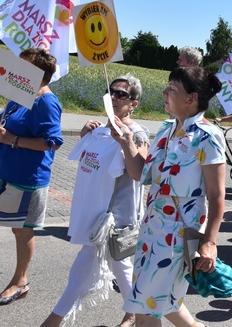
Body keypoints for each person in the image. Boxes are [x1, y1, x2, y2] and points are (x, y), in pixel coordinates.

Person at [112, 66, 226, 326]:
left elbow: (217, 195)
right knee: (162, 301)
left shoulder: (208, 137)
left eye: (172, 89)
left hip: (178, 235)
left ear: (191, 98)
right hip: (151, 228)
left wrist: (210, 242)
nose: (164, 92)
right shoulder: (165, 129)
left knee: (146, 305)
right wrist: (126, 142)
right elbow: (142, 174)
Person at [42, 74, 149, 327]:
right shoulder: (99, 129)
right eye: (111, 91)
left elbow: (139, 173)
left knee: (81, 271)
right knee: (121, 266)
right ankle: (136, 312)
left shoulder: (137, 133)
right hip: (93, 212)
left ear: (133, 103)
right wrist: (85, 138)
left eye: (121, 94)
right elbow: (91, 167)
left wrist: (125, 142)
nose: (113, 96)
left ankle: (52, 321)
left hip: (112, 219)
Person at [0, 48, 63, 305]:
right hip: (7, 172)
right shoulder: (21, 96)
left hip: (28, 178)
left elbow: (52, 142)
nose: (16, 69)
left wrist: (10, 139)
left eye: (22, 65)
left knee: (22, 231)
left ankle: (20, 281)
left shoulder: (46, 101)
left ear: (37, 73)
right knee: (17, 230)